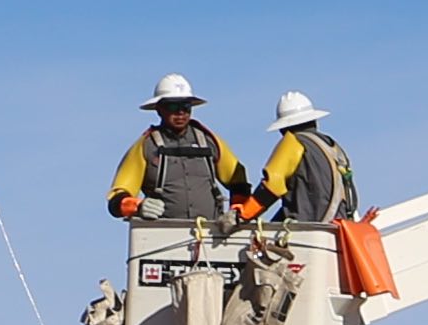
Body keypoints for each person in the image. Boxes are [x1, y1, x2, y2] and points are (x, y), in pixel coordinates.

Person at [107, 75, 261, 229]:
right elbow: (117, 199)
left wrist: (237, 213)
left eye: (186, 106)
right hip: (160, 235)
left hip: (211, 235)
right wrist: (138, 207)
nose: (181, 112)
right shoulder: (146, 146)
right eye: (173, 106)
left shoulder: (209, 141)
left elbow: (239, 182)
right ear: (159, 109)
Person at [258, 91, 364, 225]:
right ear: (314, 121)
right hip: (341, 229)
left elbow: (271, 186)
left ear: (283, 129)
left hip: (309, 233)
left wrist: (242, 215)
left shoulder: (292, 142)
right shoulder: (333, 147)